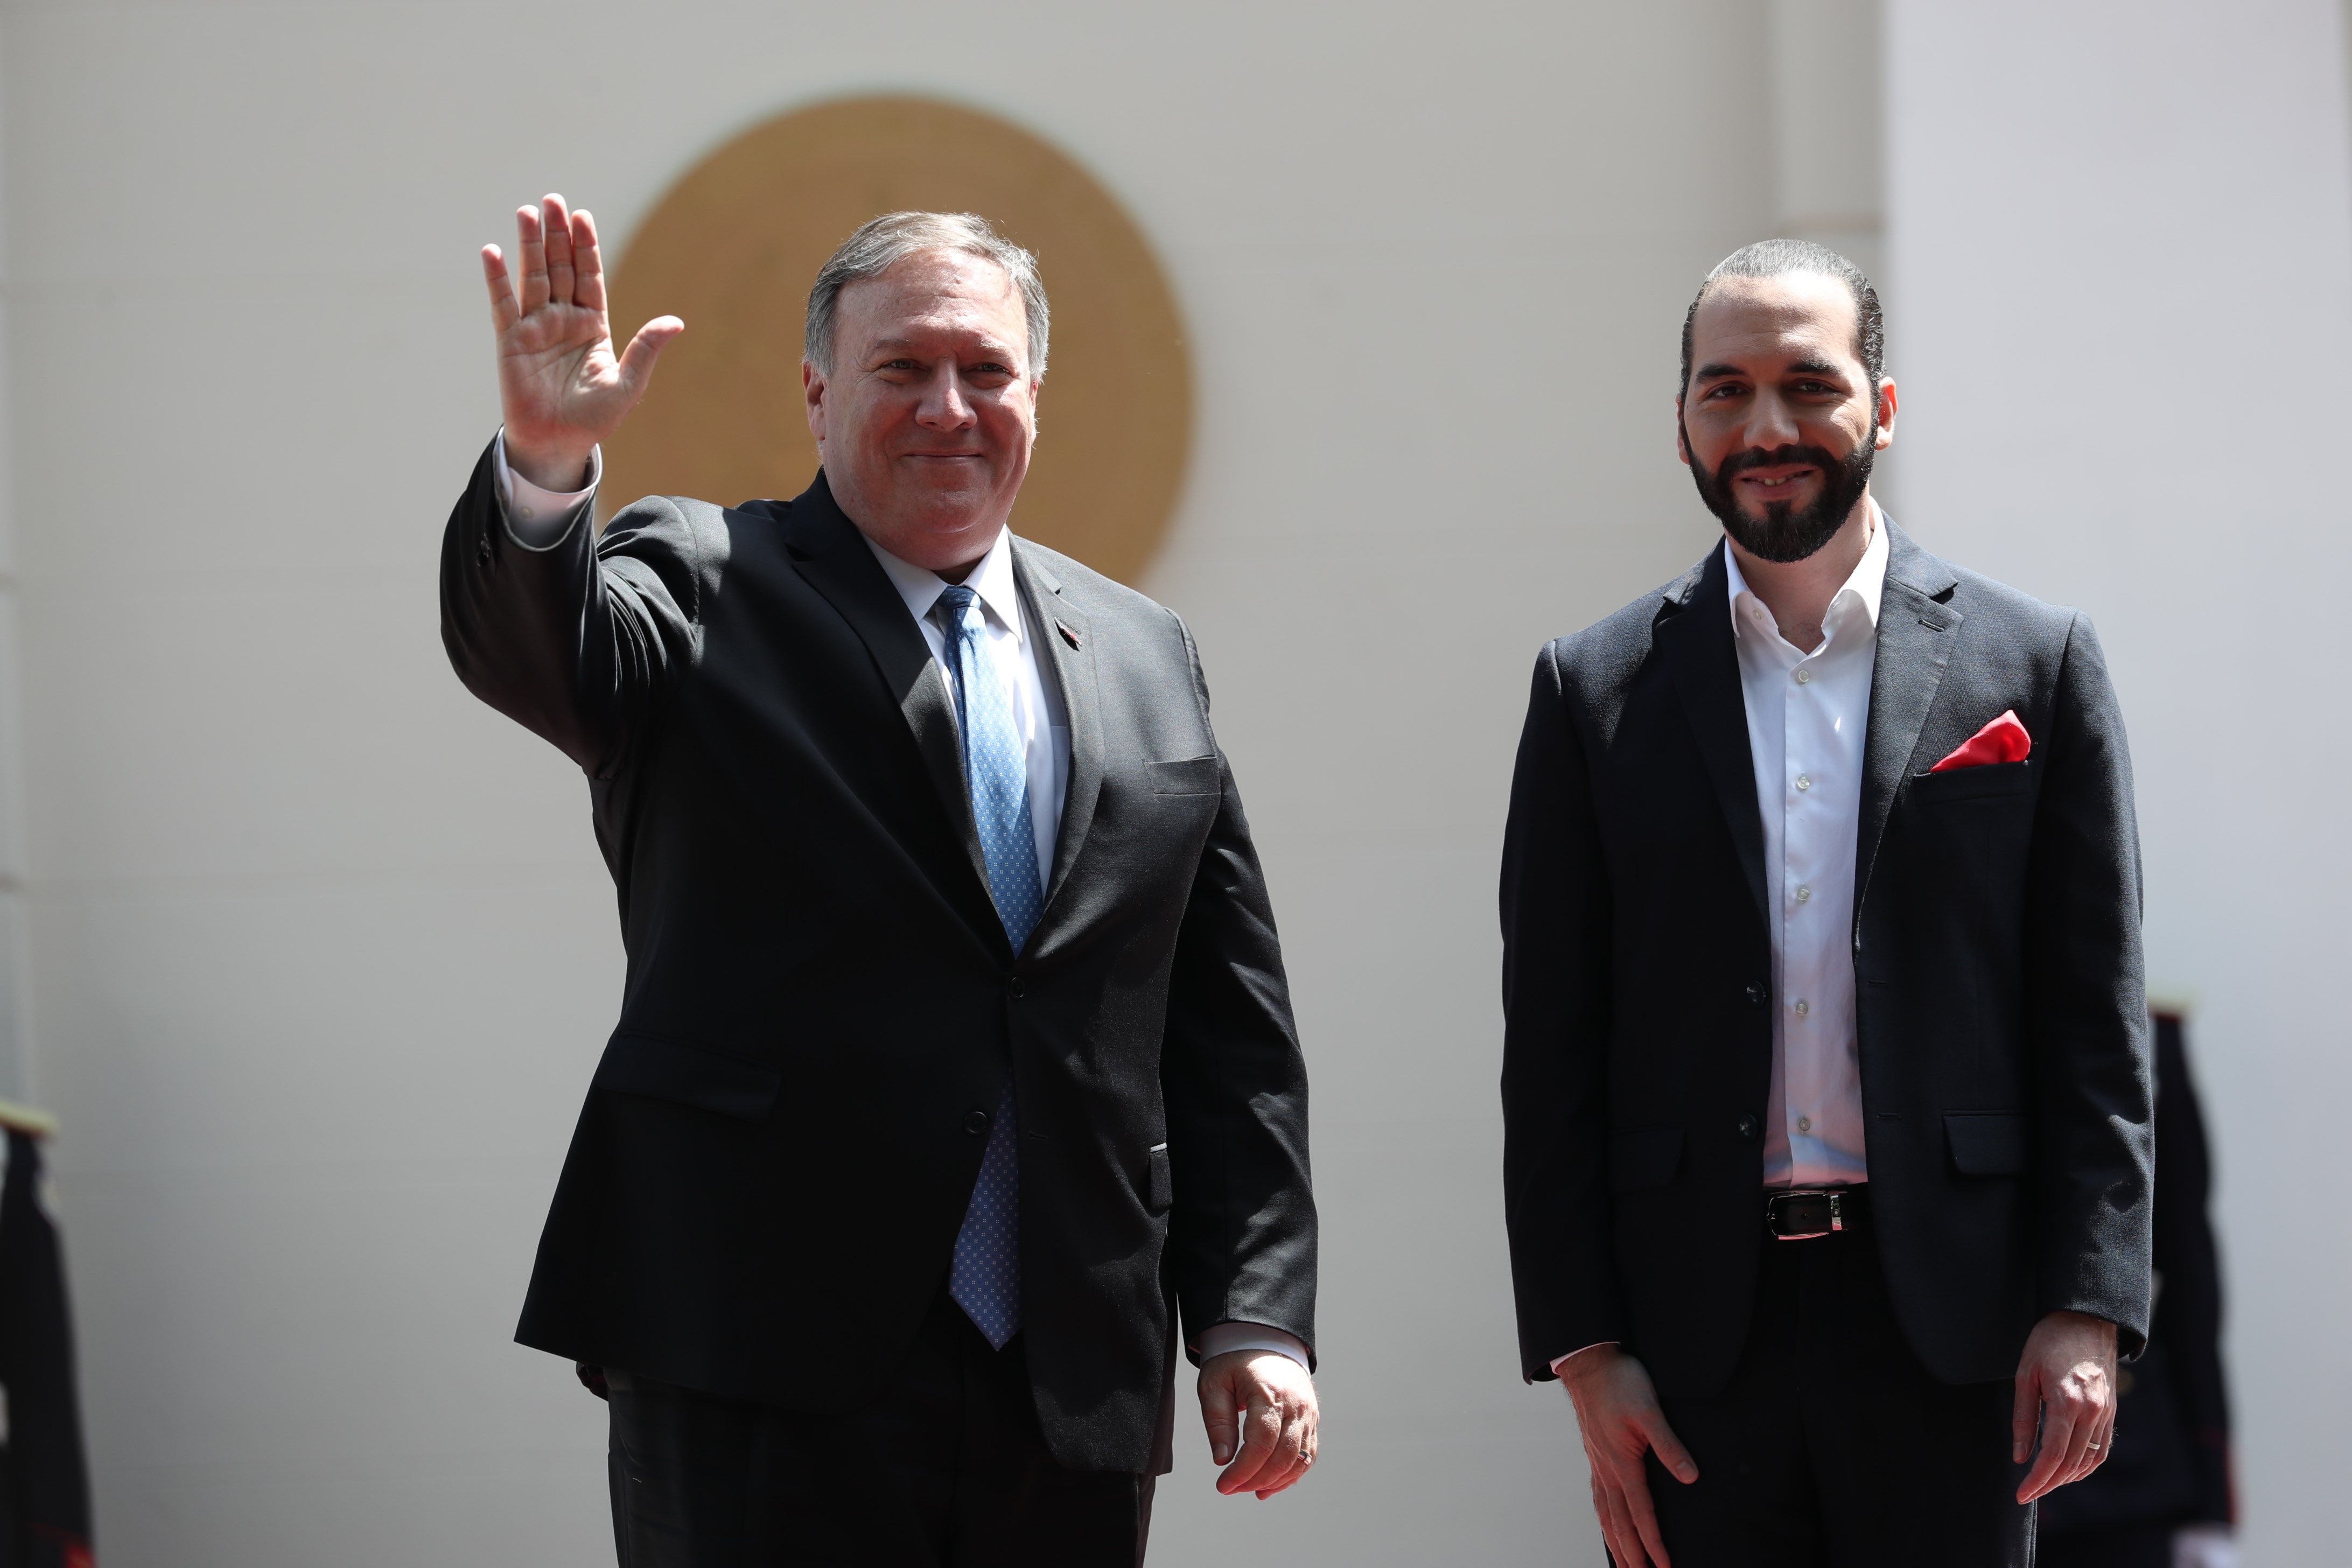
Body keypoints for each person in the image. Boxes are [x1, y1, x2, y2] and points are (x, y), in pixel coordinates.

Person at [441, 198, 1319, 1566]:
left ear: (1037, 394)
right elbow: (536, 654)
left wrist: (1252, 1316)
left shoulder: (1146, 651)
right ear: (818, 393)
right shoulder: (706, 577)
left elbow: (1223, 1024)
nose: (947, 408)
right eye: (901, 370)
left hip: (1067, 1364)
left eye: (985, 370)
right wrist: (549, 466)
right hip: (756, 1349)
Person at [1497, 239, 2153, 1566]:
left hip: (1959, 1330)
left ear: (1884, 408)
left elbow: (2096, 1019)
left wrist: (2089, 1302)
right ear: (1681, 422)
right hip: (1693, 1346)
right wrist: (1585, 1349)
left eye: (1809, 384)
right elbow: (1551, 1046)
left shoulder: (2037, 662)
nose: (1767, 428)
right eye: (1724, 391)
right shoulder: (1591, 689)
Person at [2039, 1011, 2237, 1568]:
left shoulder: (2142, 1029)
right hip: (1952, 1456)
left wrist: (2211, 1501)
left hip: (2121, 1479)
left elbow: (2188, 1275)